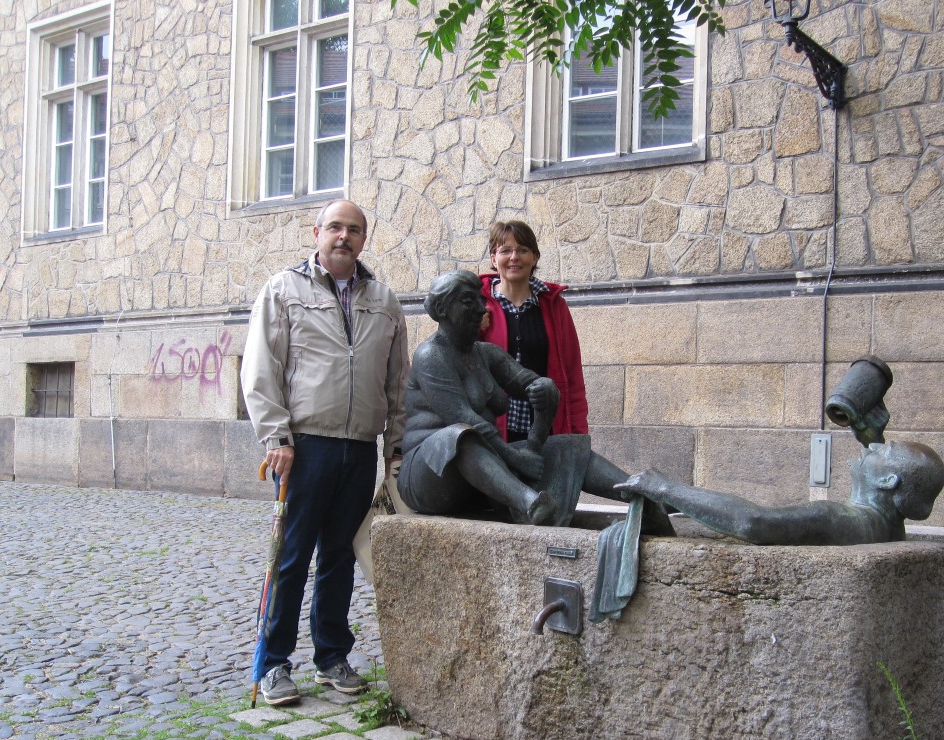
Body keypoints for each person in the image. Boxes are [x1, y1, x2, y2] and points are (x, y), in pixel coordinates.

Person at [241, 199, 408, 706]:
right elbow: (262, 368)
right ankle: (273, 663)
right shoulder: (283, 289)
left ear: (364, 239)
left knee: (339, 557)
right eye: (335, 227)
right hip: (304, 446)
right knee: (291, 556)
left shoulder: (384, 301)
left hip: (358, 447)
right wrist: (276, 438)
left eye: (354, 229)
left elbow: (398, 383)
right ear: (316, 232)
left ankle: (332, 656)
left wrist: (395, 447)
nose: (343, 236)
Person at [397, 270, 670, 533]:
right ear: (442, 309)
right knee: (460, 435)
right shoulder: (431, 356)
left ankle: (641, 494)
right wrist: (516, 458)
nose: (481, 309)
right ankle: (530, 504)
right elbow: (464, 417)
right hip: (428, 477)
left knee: (566, 448)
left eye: (481, 300)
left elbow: (529, 382)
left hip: (476, 483)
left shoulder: (486, 354)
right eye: (469, 301)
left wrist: (539, 419)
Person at [615, 441, 944, 546]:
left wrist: (664, 488)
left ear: (887, 481)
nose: (872, 444)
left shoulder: (835, 517)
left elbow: (755, 522)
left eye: (884, 449)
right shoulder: (888, 526)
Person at [479, 221, 588, 444]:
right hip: (492, 434)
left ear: (535, 257)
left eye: (522, 250)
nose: (514, 257)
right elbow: (454, 360)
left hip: (545, 432)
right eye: (505, 251)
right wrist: (473, 327)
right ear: (493, 258)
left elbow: (572, 375)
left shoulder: (554, 306)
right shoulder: (475, 305)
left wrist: (578, 434)